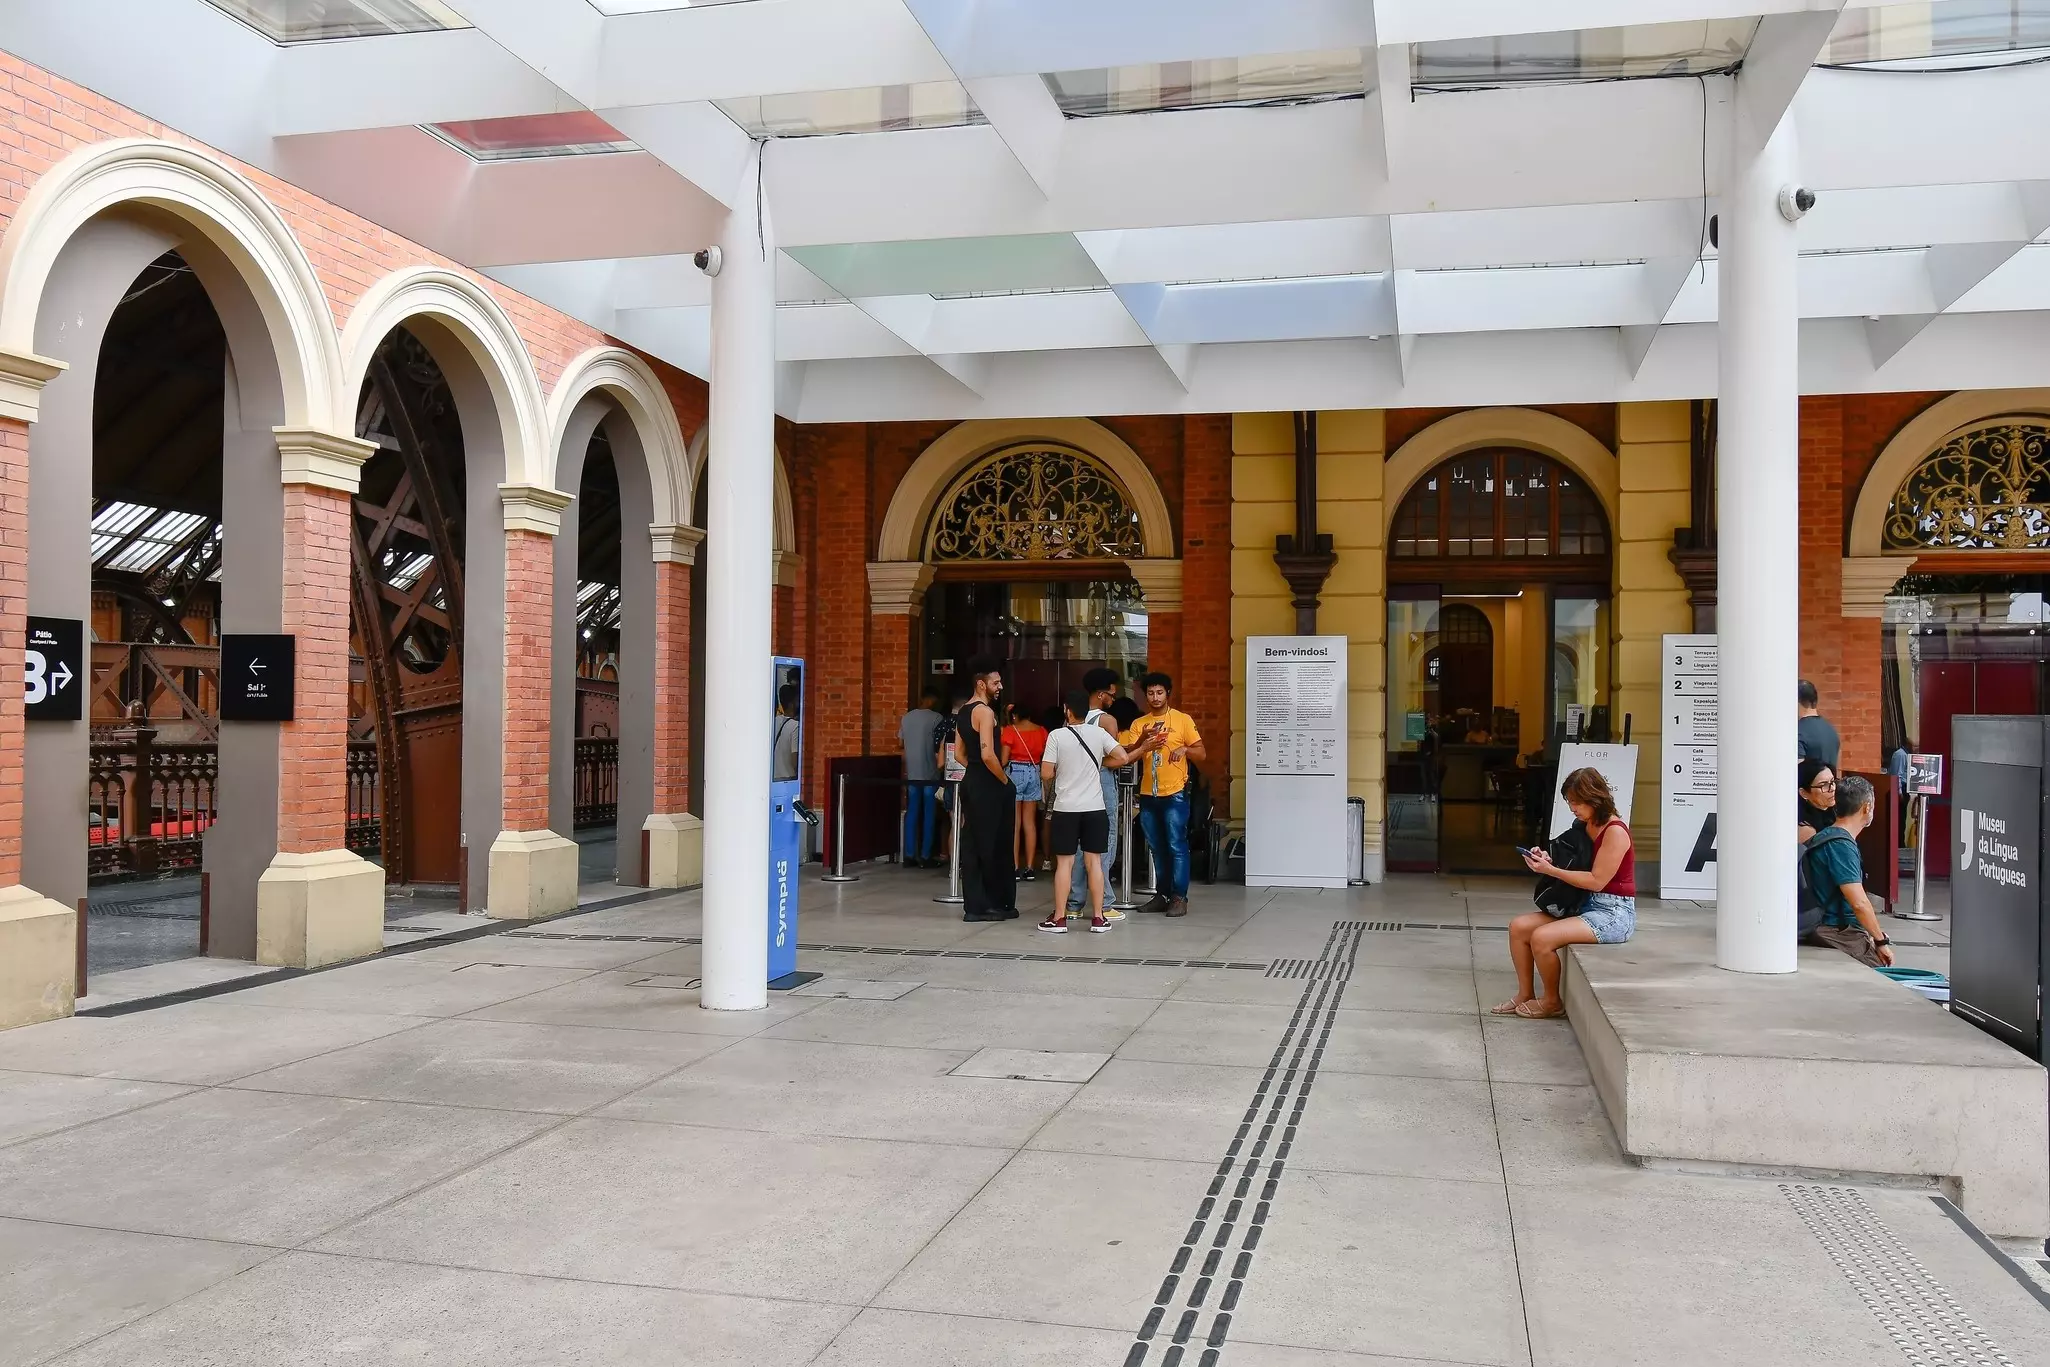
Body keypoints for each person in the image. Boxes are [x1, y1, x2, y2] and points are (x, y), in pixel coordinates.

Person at [1496, 767, 1636, 1020]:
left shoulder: (1615, 831)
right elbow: (1570, 863)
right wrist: (1546, 859)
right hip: (1583, 903)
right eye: (1569, 801)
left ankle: (1552, 1001)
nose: (1572, 808)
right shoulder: (1584, 825)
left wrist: (1551, 870)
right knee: (1519, 927)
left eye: (1577, 802)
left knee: (1542, 938)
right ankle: (1525, 994)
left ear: (1595, 798)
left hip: (1612, 912)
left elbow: (1596, 881)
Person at [1037, 689, 1153, 934]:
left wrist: (1064, 770)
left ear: (1067, 711)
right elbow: (1122, 757)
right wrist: (1099, 763)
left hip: (1066, 808)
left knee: (1065, 864)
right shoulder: (1099, 733)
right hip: (1095, 808)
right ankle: (1099, 918)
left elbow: (1046, 774)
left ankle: (1059, 918)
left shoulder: (1057, 735)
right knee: (1095, 863)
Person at [1120, 671, 1206, 917]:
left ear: (1168, 693)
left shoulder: (1182, 720)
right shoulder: (1139, 724)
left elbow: (1202, 753)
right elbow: (1127, 755)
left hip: (1175, 793)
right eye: (1150, 693)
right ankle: (1162, 895)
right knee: (1156, 847)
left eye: (1159, 692)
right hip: (1148, 794)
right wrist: (1143, 742)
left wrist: (1185, 749)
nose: (1155, 697)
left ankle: (1179, 897)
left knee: (1176, 845)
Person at [1801, 775, 1896, 968]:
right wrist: (1881, 941)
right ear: (1867, 807)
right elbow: (1859, 903)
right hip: (1836, 930)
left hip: (1829, 926)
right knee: (1879, 972)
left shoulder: (1827, 836)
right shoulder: (1841, 846)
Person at [952, 657, 1016, 921]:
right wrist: (1004, 781)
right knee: (992, 843)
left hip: (972, 781)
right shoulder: (985, 712)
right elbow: (988, 754)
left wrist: (976, 771)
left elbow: (958, 754)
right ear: (981, 684)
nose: (1000, 687)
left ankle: (974, 905)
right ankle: (990, 903)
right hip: (989, 783)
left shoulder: (963, 711)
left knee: (973, 842)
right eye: (995, 682)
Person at [1067, 667, 1131, 921]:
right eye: (1112, 695)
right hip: (1102, 783)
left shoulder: (1073, 718)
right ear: (1102, 694)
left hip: (1078, 783)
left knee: (1080, 844)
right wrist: (1142, 748)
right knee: (1105, 840)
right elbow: (1113, 759)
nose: (1114, 699)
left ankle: (1074, 903)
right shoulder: (1107, 721)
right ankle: (1104, 902)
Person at [1002, 703, 1048, 881]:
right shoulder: (1041, 731)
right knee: (1030, 823)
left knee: (1015, 823)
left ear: (1015, 716)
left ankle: (1014, 867)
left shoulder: (1010, 731)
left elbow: (1004, 759)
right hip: (1034, 771)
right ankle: (1030, 868)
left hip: (1015, 772)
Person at [899, 689, 944, 868]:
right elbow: (939, 746)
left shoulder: (906, 718)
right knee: (929, 815)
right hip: (930, 773)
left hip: (912, 773)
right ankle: (926, 856)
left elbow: (900, 743)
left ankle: (909, 855)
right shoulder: (937, 718)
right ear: (932, 699)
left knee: (912, 813)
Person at [1798, 680, 1841, 774]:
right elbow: (1837, 769)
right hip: (1830, 782)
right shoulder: (1831, 730)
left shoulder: (1798, 731)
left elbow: (1798, 773)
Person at [1797, 758, 1837, 843]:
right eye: (1824, 785)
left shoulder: (1837, 810)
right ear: (1804, 793)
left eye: (1832, 781)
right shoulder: (1806, 830)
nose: (1832, 788)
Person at [772, 682, 801, 782]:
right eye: (797, 701)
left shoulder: (774, 722)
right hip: (789, 779)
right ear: (791, 704)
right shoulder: (795, 726)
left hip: (774, 778)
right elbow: (794, 760)